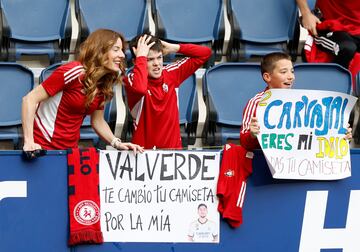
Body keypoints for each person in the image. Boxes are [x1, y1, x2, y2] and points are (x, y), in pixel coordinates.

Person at [22, 29, 144, 154]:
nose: (123, 55)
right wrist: (29, 142)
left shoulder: (103, 83)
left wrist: (117, 143)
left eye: (122, 50)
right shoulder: (73, 71)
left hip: (69, 151)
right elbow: (29, 100)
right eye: (116, 49)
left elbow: (98, 121)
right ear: (100, 50)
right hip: (42, 147)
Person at [240, 52, 352, 151]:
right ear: (267, 77)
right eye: (284, 72)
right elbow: (245, 143)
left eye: (292, 71)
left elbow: (320, 134)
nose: (291, 77)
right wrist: (252, 135)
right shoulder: (256, 102)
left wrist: (341, 135)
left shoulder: (305, 103)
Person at [123, 34, 212, 149]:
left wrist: (174, 48)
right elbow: (140, 89)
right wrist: (141, 57)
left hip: (173, 152)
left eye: (159, 57)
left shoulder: (171, 73)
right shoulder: (131, 79)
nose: (156, 64)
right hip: (143, 153)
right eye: (149, 59)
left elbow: (205, 53)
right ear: (137, 61)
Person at [296, 0, 360, 69]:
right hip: (328, 26)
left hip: (357, 28)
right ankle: (333, 78)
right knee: (347, 48)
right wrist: (306, 14)